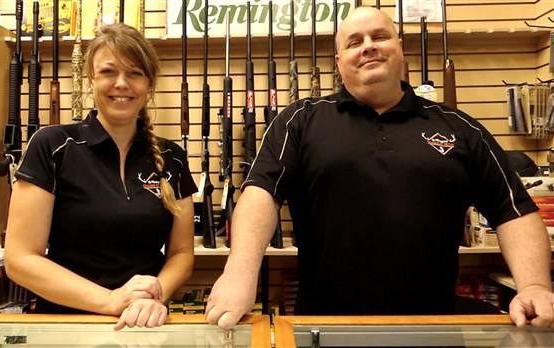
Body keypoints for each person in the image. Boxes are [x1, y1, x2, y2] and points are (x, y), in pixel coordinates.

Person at [206, 7, 554, 329]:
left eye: (379, 36)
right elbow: (261, 194)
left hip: (436, 328)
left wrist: (535, 285)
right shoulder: (301, 120)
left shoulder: (460, 128)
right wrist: (239, 273)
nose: (368, 47)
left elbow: (513, 211)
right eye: (355, 42)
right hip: (325, 328)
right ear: (339, 61)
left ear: (400, 48)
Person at [4, 23, 197, 330]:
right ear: (90, 78)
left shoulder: (172, 157)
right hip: (65, 327)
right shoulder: (52, 146)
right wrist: (110, 301)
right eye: (109, 72)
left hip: (144, 323)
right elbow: (20, 259)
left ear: (149, 83)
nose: (122, 83)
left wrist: (153, 295)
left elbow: (182, 253)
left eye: (135, 73)